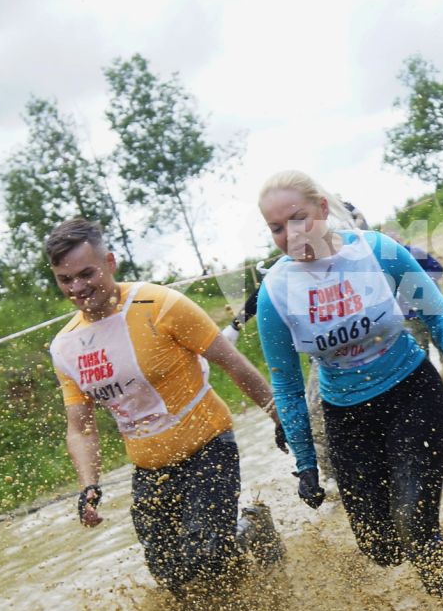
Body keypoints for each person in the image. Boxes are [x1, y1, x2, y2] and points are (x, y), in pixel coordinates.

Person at [253, 170, 443, 603]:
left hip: (411, 393)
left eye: (299, 219)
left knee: (414, 524)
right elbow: (285, 385)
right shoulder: (275, 292)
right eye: (277, 228)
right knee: (382, 547)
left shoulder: (378, 252)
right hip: (347, 417)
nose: (291, 234)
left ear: (323, 209)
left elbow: (436, 312)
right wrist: (306, 464)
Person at [46, 217, 286, 592]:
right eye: (65, 279)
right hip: (149, 467)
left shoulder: (160, 304)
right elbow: (81, 426)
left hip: (208, 447)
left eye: (86, 274)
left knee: (208, 555)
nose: (78, 288)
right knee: (171, 578)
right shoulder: (65, 347)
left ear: (110, 262)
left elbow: (232, 363)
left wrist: (279, 417)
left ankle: (251, 528)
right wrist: (88, 486)